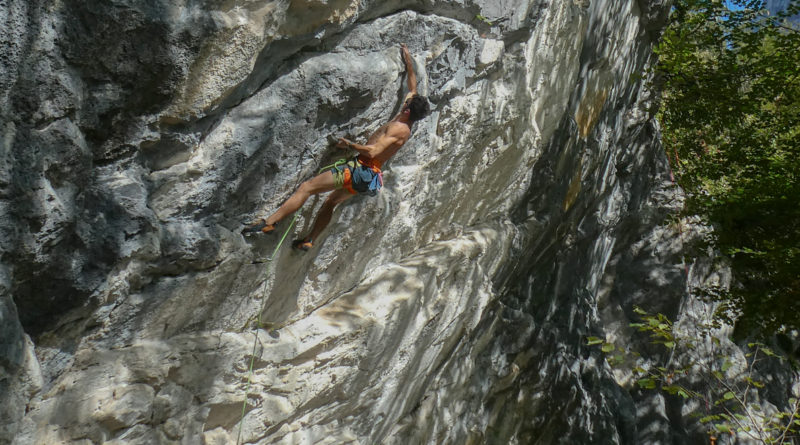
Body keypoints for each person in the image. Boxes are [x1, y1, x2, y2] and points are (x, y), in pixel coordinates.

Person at [242, 44, 430, 251]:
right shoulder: (408, 120)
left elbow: (373, 151)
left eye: (406, 105)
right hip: (367, 179)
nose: (405, 103)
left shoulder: (398, 129)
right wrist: (408, 61)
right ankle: (309, 240)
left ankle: (269, 223)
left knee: (307, 187)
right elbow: (412, 88)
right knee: (331, 202)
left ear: (406, 111)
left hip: (357, 169)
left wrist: (349, 143)